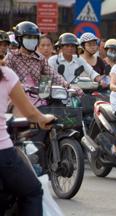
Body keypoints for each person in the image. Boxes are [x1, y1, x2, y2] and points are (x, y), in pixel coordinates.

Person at [0, 62, 55, 215]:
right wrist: (44, 119)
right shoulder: (5, 74)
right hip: (3, 153)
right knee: (33, 192)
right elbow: (30, 113)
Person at [6, 21, 66, 106]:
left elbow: (53, 75)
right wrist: (22, 87)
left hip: (39, 102)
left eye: (35, 38)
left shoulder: (40, 58)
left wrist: (68, 85)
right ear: (19, 39)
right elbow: (5, 78)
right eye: (29, 37)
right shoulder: (11, 57)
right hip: (16, 102)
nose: (32, 40)